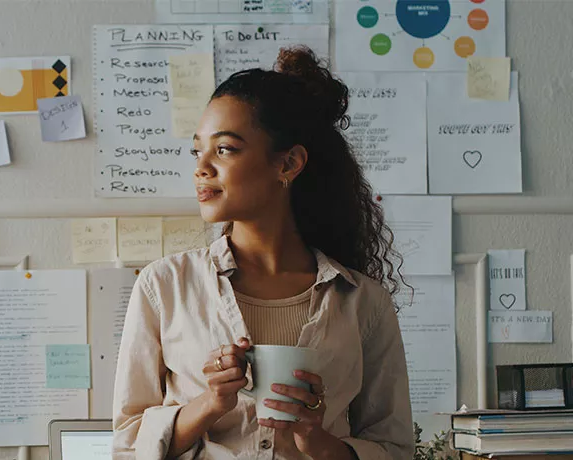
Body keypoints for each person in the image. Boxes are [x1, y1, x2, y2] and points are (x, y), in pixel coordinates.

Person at [112, 47, 414, 460]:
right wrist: (210, 403)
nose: (201, 167)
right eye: (197, 150)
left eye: (225, 149)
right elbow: (127, 446)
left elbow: (394, 450)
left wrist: (316, 439)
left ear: (288, 163)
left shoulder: (365, 302)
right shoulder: (163, 286)